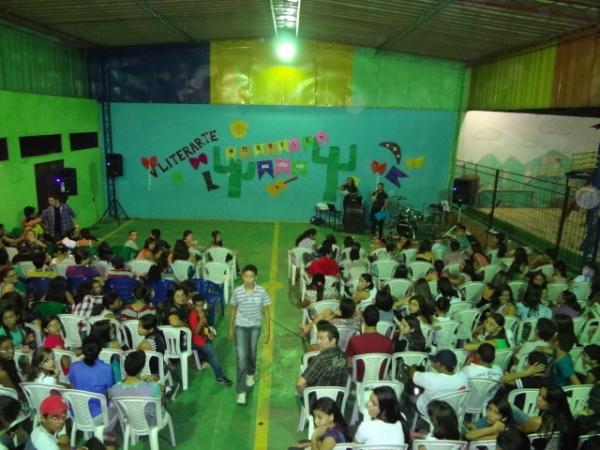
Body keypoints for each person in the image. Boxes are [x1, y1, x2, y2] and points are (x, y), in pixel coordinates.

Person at [229, 264, 271, 405]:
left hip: (255, 327)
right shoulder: (237, 291)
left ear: (256, 277)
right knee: (241, 358)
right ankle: (241, 392)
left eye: (251, 276)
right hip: (240, 326)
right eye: (246, 276)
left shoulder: (261, 291)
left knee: (252, 353)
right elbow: (233, 310)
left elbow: (266, 311)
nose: (248, 279)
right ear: (242, 276)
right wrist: (230, 329)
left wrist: (268, 330)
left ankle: (250, 373)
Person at [410, 349, 468, 419]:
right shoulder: (463, 377)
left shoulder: (431, 378)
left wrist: (412, 366)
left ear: (442, 367)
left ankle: (413, 421)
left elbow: (412, 375)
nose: (433, 362)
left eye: (435, 361)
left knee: (409, 395)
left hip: (429, 411)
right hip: (451, 410)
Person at [188, 294, 232, 386]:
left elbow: (205, 327)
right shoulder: (193, 315)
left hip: (204, 338)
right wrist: (201, 320)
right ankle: (220, 378)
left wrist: (210, 333)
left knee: (210, 354)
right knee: (214, 357)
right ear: (194, 306)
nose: (200, 308)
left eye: (201, 305)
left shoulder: (202, 313)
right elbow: (196, 332)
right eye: (198, 306)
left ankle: (202, 360)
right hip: (199, 341)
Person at [110, 351, 162, 425]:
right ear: (141, 369)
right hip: (151, 422)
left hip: (129, 422)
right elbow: (158, 406)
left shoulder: (114, 389)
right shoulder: (153, 387)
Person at [296, 322, 348, 396]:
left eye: (321, 338)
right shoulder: (344, 356)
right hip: (337, 400)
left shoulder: (319, 360)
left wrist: (303, 395)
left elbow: (300, 384)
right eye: (318, 338)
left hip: (317, 402)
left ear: (333, 341)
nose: (318, 342)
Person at [67, 337, 115, 418]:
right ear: (99, 351)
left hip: (77, 413)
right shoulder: (107, 369)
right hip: (99, 414)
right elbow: (111, 391)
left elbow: (72, 385)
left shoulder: (74, 367)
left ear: (83, 350)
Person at [345, 305, 393, 378]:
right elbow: (388, 363)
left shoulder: (354, 340)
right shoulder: (388, 341)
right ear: (378, 319)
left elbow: (349, 364)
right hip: (380, 378)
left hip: (360, 379)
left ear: (363, 319)